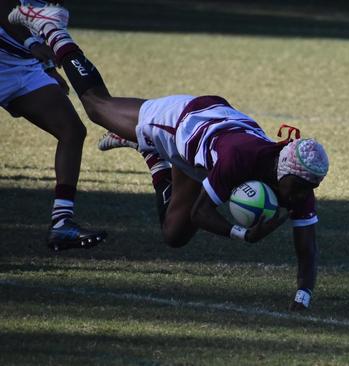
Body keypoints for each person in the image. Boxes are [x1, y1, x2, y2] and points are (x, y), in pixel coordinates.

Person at [8, 3, 329, 310]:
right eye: (301, 187)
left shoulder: (298, 182)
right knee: (96, 106)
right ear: (285, 170)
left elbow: (308, 246)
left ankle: (152, 156)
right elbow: (202, 213)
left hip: (203, 156)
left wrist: (303, 297)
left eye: (308, 188)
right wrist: (243, 234)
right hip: (182, 122)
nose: (303, 194)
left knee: (173, 235)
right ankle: (53, 29)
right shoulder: (241, 158)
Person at [1, 0, 106, 251]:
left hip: (24, 66)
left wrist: (47, 67)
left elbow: (42, 20)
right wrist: (33, 44)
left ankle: (61, 223)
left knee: (72, 130)